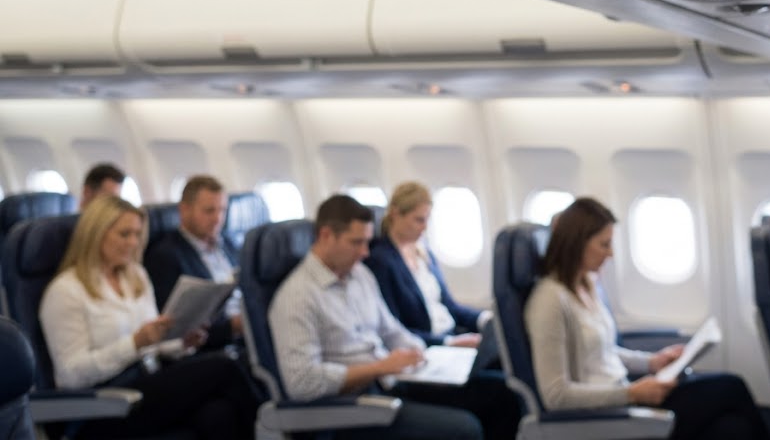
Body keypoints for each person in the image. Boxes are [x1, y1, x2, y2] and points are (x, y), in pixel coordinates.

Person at [269, 194, 519, 440]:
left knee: (503, 393)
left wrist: (422, 354)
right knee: (464, 429)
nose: (365, 252)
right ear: (326, 236)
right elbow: (302, 382)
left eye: (367, 242)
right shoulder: (298, 297)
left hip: (393, 380)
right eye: (356, 242)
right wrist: (379, 367)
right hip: (355, 405)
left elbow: (390, 330)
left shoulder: (360, 275)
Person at [525, 196, 770, 440]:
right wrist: (632, 394)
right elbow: (556, 395)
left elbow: (602, 353)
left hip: (624, 396)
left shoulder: (587, 284)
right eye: (604, 244)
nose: (611, 253)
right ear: (577, 243)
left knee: (733, 429)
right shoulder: (549, 301)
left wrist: (652, 363)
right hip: (606, 417)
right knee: (731, 387)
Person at [39, 195, 259, 440]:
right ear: (95, 234)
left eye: (137, 234)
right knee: (224, 368)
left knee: (218, 414)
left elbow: (151, 344)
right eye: (124, 234)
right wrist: (135, 343)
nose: (133, 243)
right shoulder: (66, 291)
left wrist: (181, 344)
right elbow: (71, 375)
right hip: (105, 403)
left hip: (147, 380)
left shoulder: (135, 276)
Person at [365, 181, 490, 348]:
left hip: (451, 333)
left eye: (427, 220)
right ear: (395, 214)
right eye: (419, 220)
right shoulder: (380, 261)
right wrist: (449, 342)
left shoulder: (423, 252)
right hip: (429, 344)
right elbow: (394, 329)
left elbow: (449, 306)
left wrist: (486, 319)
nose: (424, 227)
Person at [145, 175, 242, 350]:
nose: (218, 219)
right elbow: (176, 325)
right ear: (184, 210)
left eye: (222, 210)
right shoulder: (166, 256)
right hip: (214, 345)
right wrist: (233, 327)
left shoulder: (228, 242)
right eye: (209, 211)